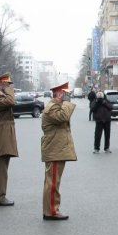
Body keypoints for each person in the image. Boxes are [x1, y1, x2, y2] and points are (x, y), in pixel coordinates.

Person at [41, 82, 76, 221]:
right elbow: (63, 117)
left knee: (54, 181)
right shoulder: (52, 107)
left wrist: (65, 104)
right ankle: (51, 211)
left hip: (56, 148)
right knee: (53, 182)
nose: (67, 97)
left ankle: (51, 209)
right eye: (65, 94)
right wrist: (67, 103)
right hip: (54, 149)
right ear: (59, 94)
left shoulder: (56, 106)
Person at [0, 73, 18, 206]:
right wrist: (9, 90)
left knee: (3, 165)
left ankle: (0, 195)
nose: (10, 87)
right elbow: (11, 102)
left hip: (4, 132)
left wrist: (8, 89)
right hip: (1, 133)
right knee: (1, 167)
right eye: (7, 84)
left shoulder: (0, 95)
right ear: (1, 85)